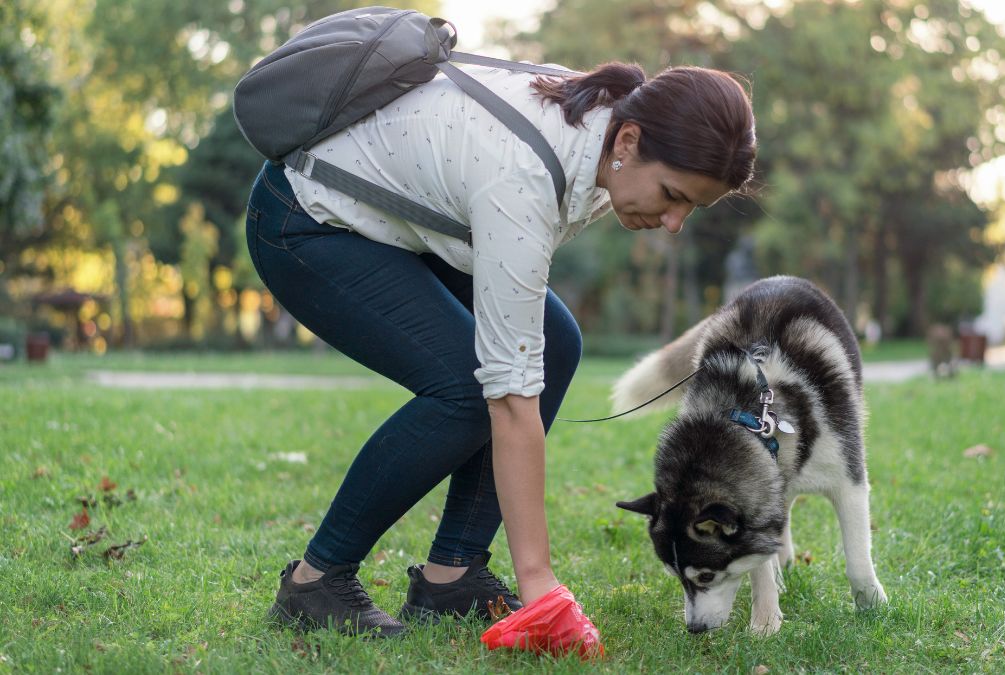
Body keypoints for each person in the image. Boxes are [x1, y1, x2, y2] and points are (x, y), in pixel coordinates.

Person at [246, 59, 756, 638]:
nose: (673, 222)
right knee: (466, 388)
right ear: (631, 140)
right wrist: (538, 581)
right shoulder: (525, 175)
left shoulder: (603, 136)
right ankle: (315, 584)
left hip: (402, 225)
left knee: (555, 344)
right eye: (672, 195)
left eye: (690, 207)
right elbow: (510, 398)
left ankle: (450, 577)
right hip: (307, 220)